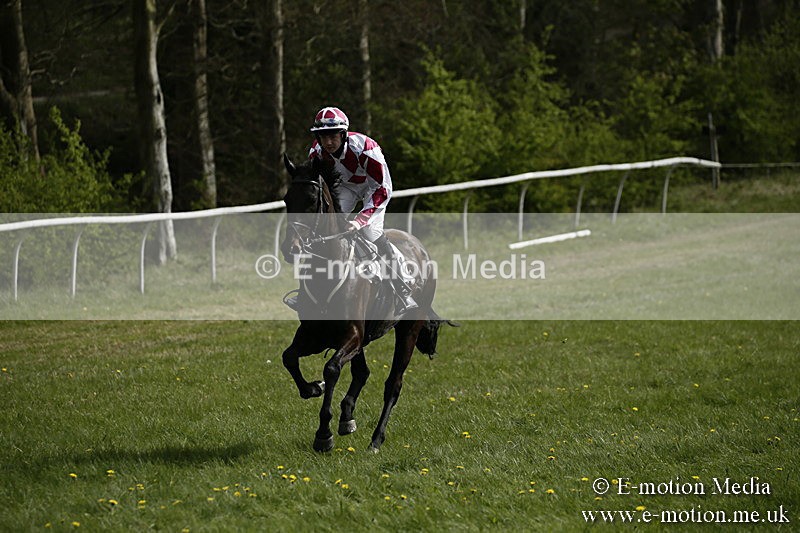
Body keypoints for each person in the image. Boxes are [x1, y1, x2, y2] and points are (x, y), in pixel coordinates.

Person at [307, 106, 417, 313]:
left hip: (374, 187)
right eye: (322, 137)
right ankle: (310, 290)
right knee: (326, 229)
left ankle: (403, 285)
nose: (328, 142)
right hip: (345, 187)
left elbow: (382, 189)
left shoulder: (366, 149)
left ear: (343, 134)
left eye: (332, 136)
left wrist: (359, 220)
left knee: (369, 231)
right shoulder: (316, 153)